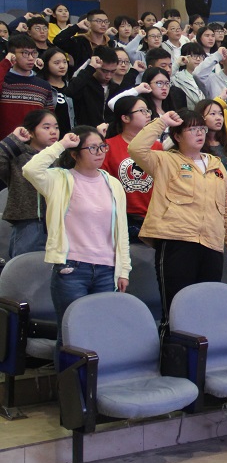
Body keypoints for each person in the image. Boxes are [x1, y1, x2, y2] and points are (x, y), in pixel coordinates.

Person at [22, 127, 130, 348]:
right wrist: (61, 144)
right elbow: (30, 169)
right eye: (92, 148)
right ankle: (68, 373)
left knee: (100, 334)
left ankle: (99, 373)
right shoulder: (59, 179)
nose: (99, 152)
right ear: (74, 154)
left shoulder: (113, 183)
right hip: (72, 269)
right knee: (72, 336)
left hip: (107, 269)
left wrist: (124, 269)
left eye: (102, 147)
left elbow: (122, 230)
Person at [128, 110, 227, 320]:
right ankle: (172, 342)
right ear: (177, 136)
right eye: (192, 129)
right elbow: (136, 148)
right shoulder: (165, 161)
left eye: (202, 128)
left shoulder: (216, 165)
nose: (199, 133)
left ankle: (204, 341)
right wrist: (162, 122)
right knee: (176, 307)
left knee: (206, 307)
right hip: (176, 240)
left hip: (212, 243)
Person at [0, 111, 60, 257]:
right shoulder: (18, 156)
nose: (53, 131)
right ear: (31, 132)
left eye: (56, 127)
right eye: (46, 127)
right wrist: (13, 140)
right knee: (26, 266)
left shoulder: (60, 157)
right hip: (28, 224)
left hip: (58, 224)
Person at [101, 96, 160, 242]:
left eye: (148, 110)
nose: (148, 114)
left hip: (153, 217)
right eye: (142, 111)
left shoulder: (157, 146)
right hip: (122, 217)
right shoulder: (108, 146)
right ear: (125, 118)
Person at [1, 35, 56, 140]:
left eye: (34, 53)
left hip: (34, 144)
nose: (31, 58)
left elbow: (49, 118)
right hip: (5, 144)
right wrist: (5, 63)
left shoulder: (43, 86)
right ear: (12, 55)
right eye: (25, 53)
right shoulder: (3, 80)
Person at [64, 46, 129, 128]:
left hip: (109, 132)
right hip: (86, 132)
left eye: (113, 71)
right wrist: (90, 68)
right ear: (96, 66)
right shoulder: (83, 84)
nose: (108, 76)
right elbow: (69, 92)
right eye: (104, 71)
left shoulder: (115, 88)